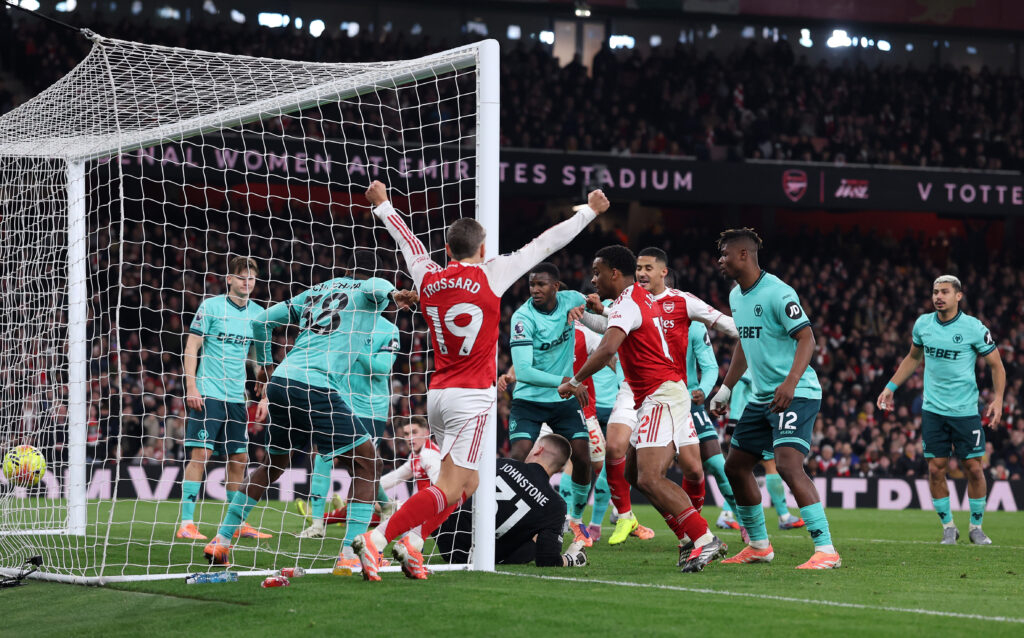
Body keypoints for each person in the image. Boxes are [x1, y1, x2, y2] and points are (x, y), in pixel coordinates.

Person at [352, 180, 608, 581]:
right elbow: (544, 244)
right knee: (453, 486)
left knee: (470, 481)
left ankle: (414, 545)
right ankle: (378, 540)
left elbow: (409, 242)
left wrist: (383, 205)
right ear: (482, 248)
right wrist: (590, 211)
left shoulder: (427, 276)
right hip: (472, 397)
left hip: (437, 394)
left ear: (449, 249)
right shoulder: (493, 274)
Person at [201, 255, 416, 570]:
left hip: (282, 382)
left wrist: (265, 367)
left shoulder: (315, 292)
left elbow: (261, 322)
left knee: (273, 466)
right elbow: (375, 285)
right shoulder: (365, 290)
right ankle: (351, 554)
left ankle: (221, 540)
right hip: (316, 386)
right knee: (368, 462)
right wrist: (393, 294)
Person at [563, 245, 726, 573]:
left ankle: (703, 537)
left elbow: (609, 346)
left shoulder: (627, 301)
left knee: (651, 476)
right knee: (633, 474)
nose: (593, 280)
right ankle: (687, 539)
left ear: (614, 274)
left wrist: (575, 379)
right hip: (656, 393)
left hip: (661, 394)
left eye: (597, 273)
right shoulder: (636, 298)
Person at [709, 227, 840, 569]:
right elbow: (744, 343)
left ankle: (826, 550)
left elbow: (807, 339)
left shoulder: (778, 293)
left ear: (743, 255)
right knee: (735, 466)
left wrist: (790, 383)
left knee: (786, 465)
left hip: (796, 394)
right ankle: (759, 546)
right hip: (763, 397)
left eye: (725, 254)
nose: (719, 260)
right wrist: (726, 388)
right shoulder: (737, 295)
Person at [876, 274, 1004, 545]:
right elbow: (912, 358)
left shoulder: (973, 327)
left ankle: (976, 526)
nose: (938, 296)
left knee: (973, 467)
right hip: (933, 410)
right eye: (935, 291)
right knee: (936, 469)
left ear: (958, 296)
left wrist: (999, 399)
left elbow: (996, 364)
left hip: (966, 411)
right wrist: (891, 386)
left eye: (944, 292)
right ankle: (948, 526)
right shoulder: (923, 324)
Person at [634, 248, 739, 531]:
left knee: (713, 465)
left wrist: (703, 391)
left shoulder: (690, 321)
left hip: (689, 401)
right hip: (651, 399)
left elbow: (710, 365)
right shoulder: (635, 313)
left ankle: (737, 518)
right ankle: (685, 525)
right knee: (645, 472)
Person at [297, 272, 401, 542]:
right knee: (323, 456)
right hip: (339, 399)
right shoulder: (346, 319)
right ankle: (317, 523)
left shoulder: (389, 329)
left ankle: (386, 506)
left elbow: (382, 368)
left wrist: (355, 350)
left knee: (362, 466)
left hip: (371, 408)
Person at [177, 256, 272, 542]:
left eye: (252, 278)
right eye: (242, 277)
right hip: (208, 392)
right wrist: (191, 386)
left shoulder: (259, 314)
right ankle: (186, 523)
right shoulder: (211, 307)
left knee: (240, 458)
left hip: (236, 397)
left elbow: (258, 358)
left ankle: (236, 523)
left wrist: (264, 392)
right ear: (229, 279)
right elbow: (192, 346)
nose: (247, 282)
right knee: (201, 454)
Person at [504, 262, 593, 546]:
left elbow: (600, 305)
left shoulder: (572, 300)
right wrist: (565, 380)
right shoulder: (522, 318)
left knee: (582, 455)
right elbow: (525, 371)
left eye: (541, 284)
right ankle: (507, 517)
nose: (535, 290)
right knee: (518, 456)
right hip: (529, 399)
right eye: (532, 284)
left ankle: (576, 519)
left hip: (562, 400)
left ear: (556, 286)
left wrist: (588, 308)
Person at [434, 434, 588, 568]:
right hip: (479, 557)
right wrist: (570, 559)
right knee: (536, 535)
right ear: (560, 468)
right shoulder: (556, 505)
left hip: (446, 537)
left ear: (538, 450)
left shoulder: (502, 463)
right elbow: (547, 559)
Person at [722, 371, 805, 531]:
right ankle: (784, 516)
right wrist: (734, 418)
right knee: (764, 465)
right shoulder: (754, 362)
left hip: (756, 418)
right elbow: (739, 386)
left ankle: (726, 513)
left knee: (742, 468)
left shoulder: (759, 360)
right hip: (751, 420)